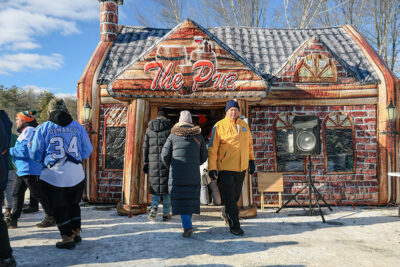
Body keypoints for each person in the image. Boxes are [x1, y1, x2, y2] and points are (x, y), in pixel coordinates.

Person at [29, 99, 93, 249]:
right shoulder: (77, 126)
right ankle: (76, 232)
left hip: (54, 174)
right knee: (74, 204)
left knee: (60, 207)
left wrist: (42, 158)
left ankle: (67, 238)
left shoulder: (44, 127)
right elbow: (87, 150)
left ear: (49, 111)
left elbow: (35, 153)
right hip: (76, 173)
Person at [208, 100, 255, 236]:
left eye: (235, 110)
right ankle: (235, 225)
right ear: (226, 111)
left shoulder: (244, 125)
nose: (233, 112)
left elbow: (249, 145)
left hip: (241, 168)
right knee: (229, 198)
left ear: (238, 111)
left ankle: (226, 212)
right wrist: (212, 167)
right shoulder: (219, 126)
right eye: (231, 110)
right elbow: (212, 149)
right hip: (225, 168)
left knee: (235, 197)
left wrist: (251, 160)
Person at [161, 110, 207, 237]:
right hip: (192, 173)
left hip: (177, 173)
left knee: (181, 198)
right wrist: (195, 163)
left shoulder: (173, 135)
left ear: (180, 121)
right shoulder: (198, 136)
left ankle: (187, 225)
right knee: (190, 197)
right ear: (191, 122)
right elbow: (204, 155)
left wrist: (171, 165)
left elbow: (164, 155)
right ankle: (188, 223)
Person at [7, 110, 55, 229]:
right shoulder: (30, 130)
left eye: (18, 119)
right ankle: (13, 219)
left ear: (24, 121)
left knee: (38, 193)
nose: (16, 122)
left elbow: (24, 151)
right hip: (24, 168)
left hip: (29, 168)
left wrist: (9, 151)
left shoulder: (28, 131)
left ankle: (51, 216)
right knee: (17, 193)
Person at [142, 107, 173, 221]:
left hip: (153, 164)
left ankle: (154, 207)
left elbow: (145, 147)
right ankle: (166, 213)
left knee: (155, 188)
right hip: (166, 163)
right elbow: (172, 147)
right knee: (166, 190)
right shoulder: (170, 128)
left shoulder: (149, 129)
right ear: (166, 116)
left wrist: (146, 162)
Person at [0, 110, 16, 266]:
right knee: (11, 193)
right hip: (7, 169)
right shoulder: (12, 134)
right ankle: (9, 211)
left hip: (11, 169)